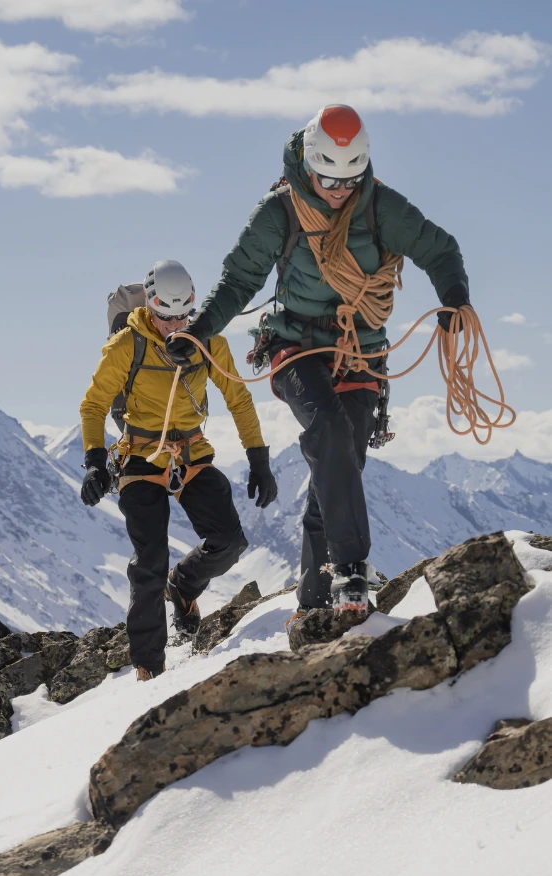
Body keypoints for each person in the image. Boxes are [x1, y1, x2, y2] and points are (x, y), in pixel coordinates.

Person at [165, 104, 470, 620]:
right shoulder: (279, 212)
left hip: (361, 352)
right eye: (327, 177)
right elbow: (239, 281)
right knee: (328, 430)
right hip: (295, 348)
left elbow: (440, 250)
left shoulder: (379, 207)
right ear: (308, 162)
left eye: (349, 179)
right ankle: (351, 570)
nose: (336, 189)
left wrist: (455, 297)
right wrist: (198, 332)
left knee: (341, 464)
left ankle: (312, 604)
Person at [79, 259, 277, 681]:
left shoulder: (209, 342)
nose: (175, 325)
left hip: (189, 452)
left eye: (182, 315)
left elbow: (238, 400)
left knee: (228, 540)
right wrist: (96, 463)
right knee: (149, 559)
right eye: (166, 317)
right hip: (138, 457)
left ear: (192, 305)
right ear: (150, 307)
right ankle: (150, 667)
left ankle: (184, 585)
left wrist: (258, 460)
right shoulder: (127, 345)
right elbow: (93, 404)